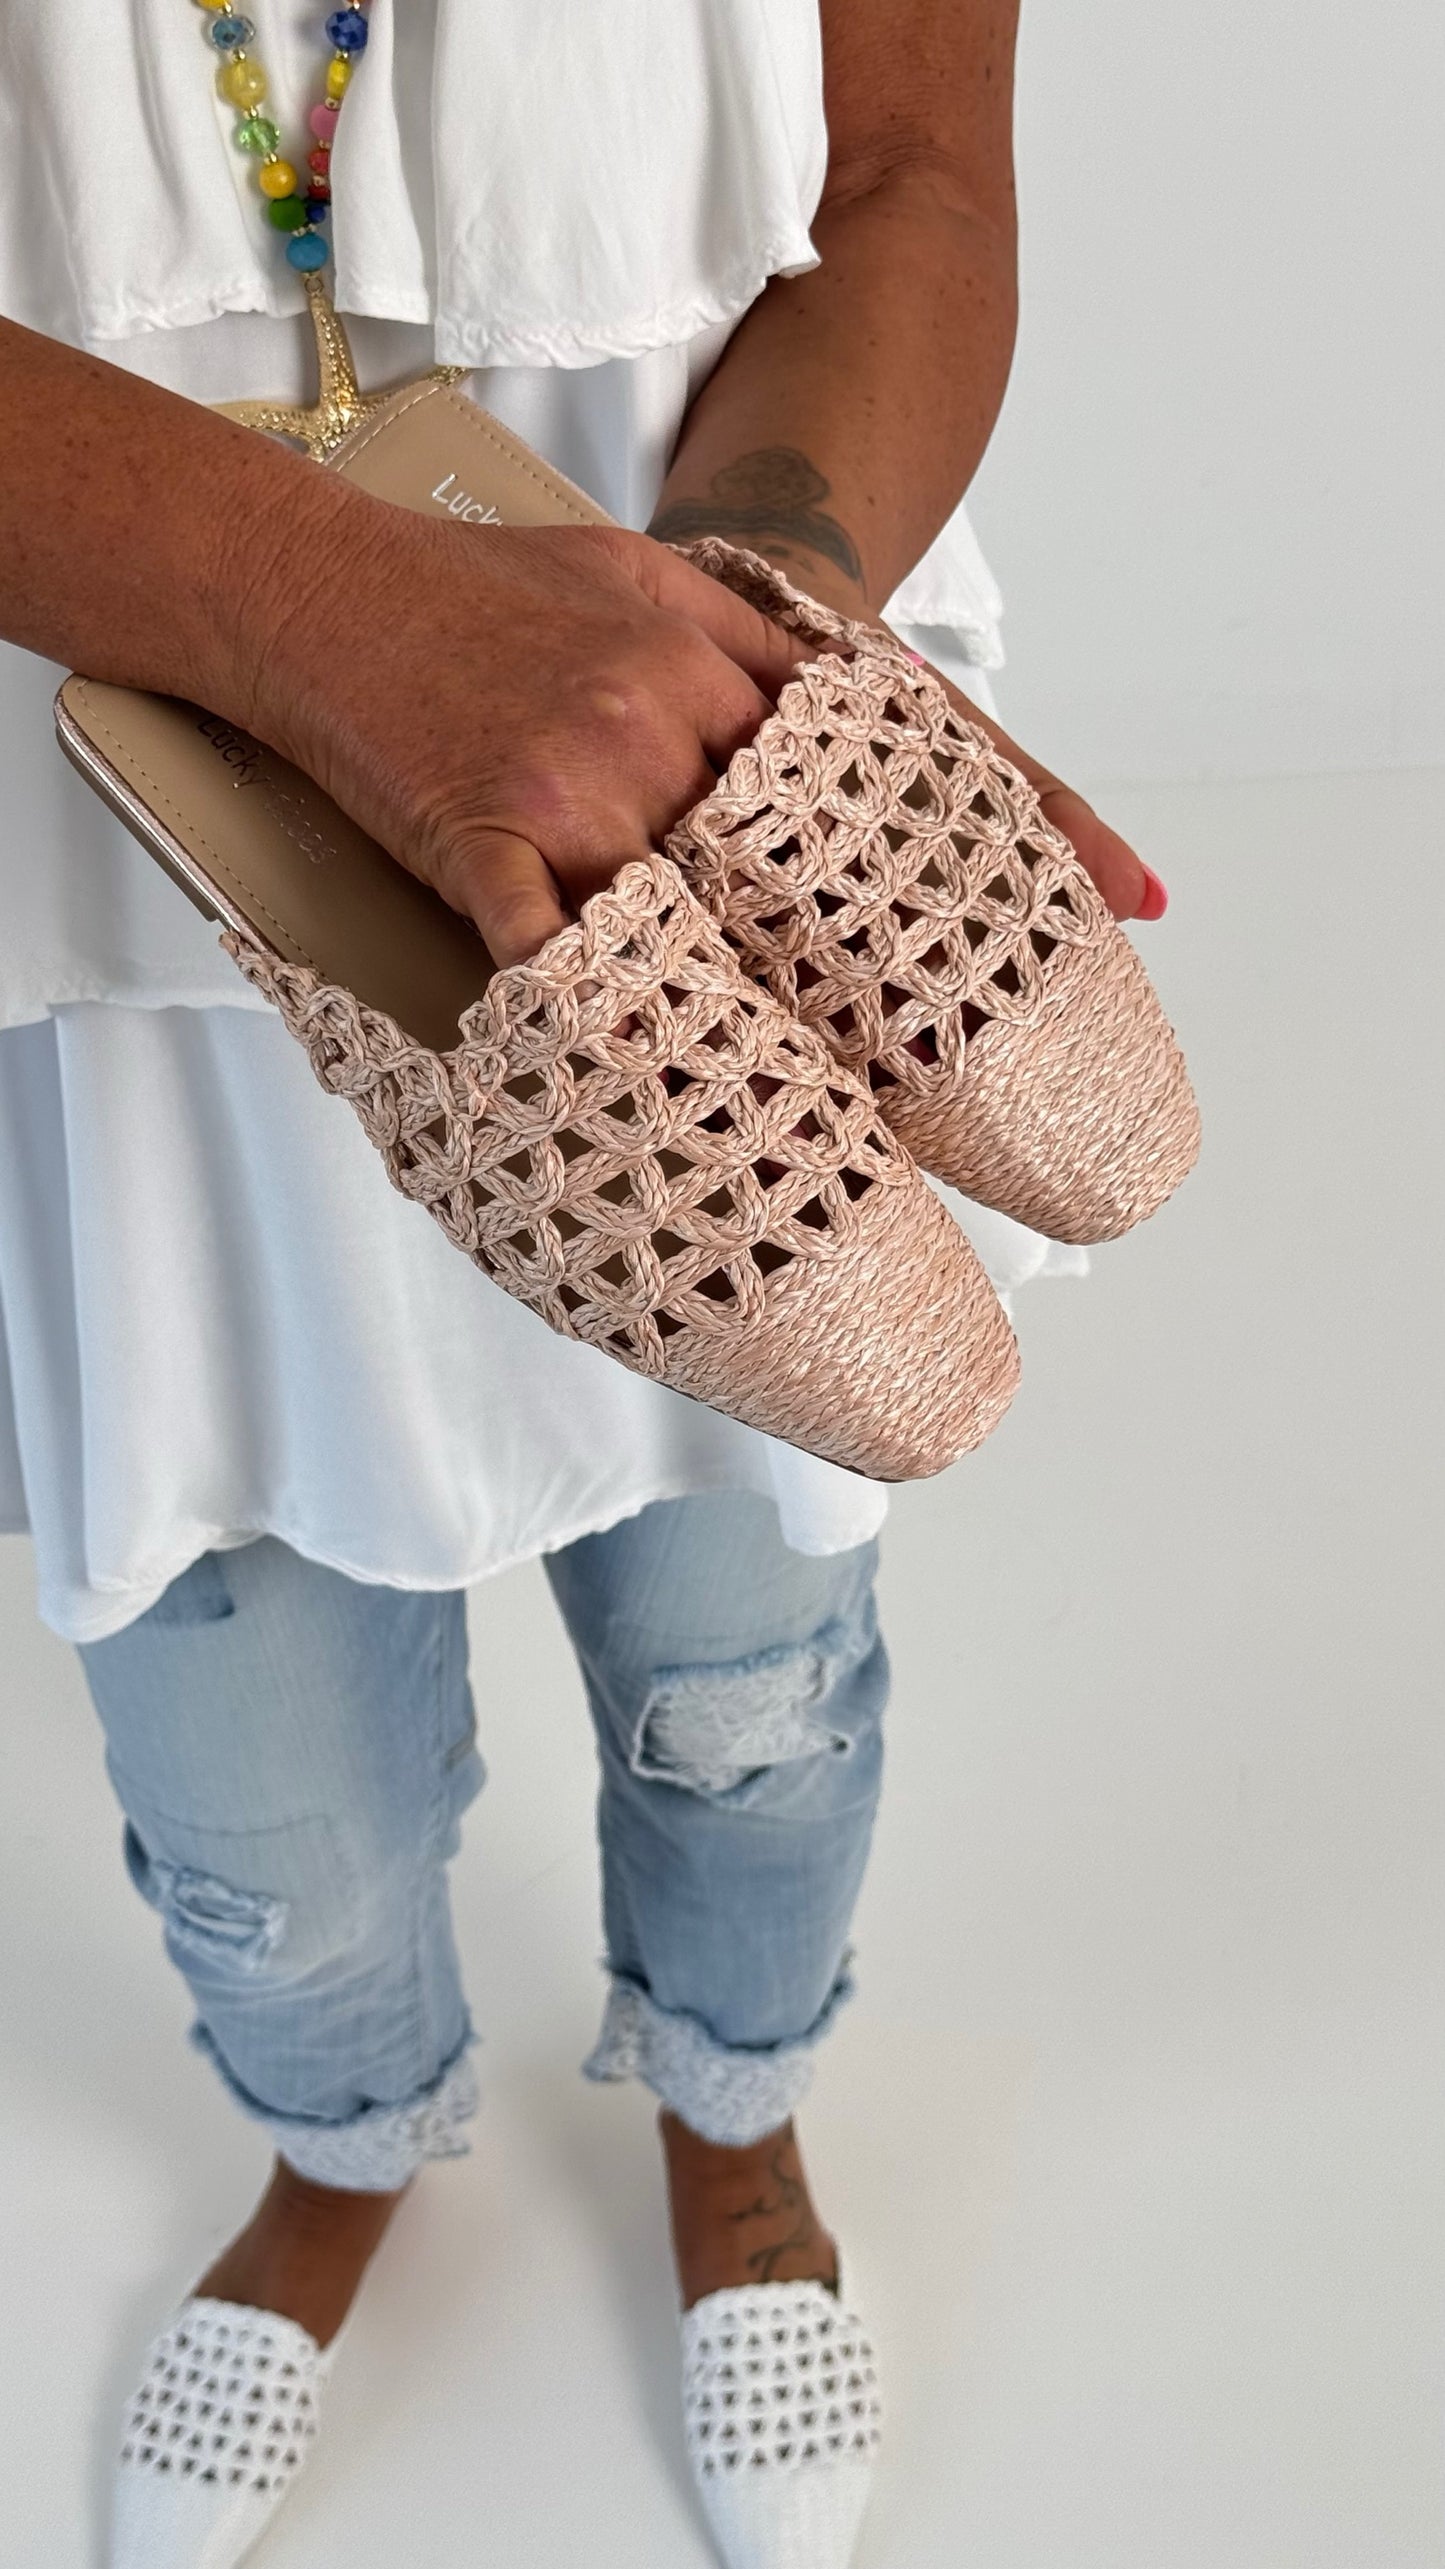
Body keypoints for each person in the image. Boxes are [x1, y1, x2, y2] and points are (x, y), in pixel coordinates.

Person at [0, 2, 1166, 2561]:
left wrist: (757, 628)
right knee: (264, 1804)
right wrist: (344, 617)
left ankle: (741, 2121)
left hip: (695, 830)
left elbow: (913, 165)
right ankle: (336, 2148)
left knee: (752, 1690)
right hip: (129, 874)